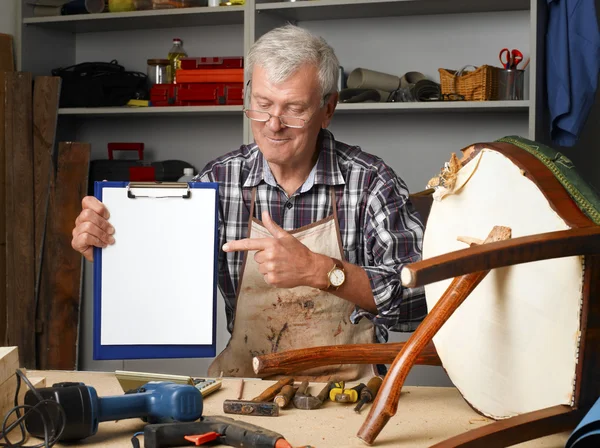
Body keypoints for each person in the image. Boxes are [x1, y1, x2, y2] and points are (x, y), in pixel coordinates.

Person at [71, 24, 426, 381]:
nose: (273, 125)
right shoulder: (219, 182)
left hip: (347, 394)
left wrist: (322, 272)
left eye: (294, 109)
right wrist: (111, 251)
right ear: (248, 97)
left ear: (328, 109)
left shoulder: (370, 182)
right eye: (263, 105)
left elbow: (424, 300)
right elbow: (166, 274)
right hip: (244, 387)